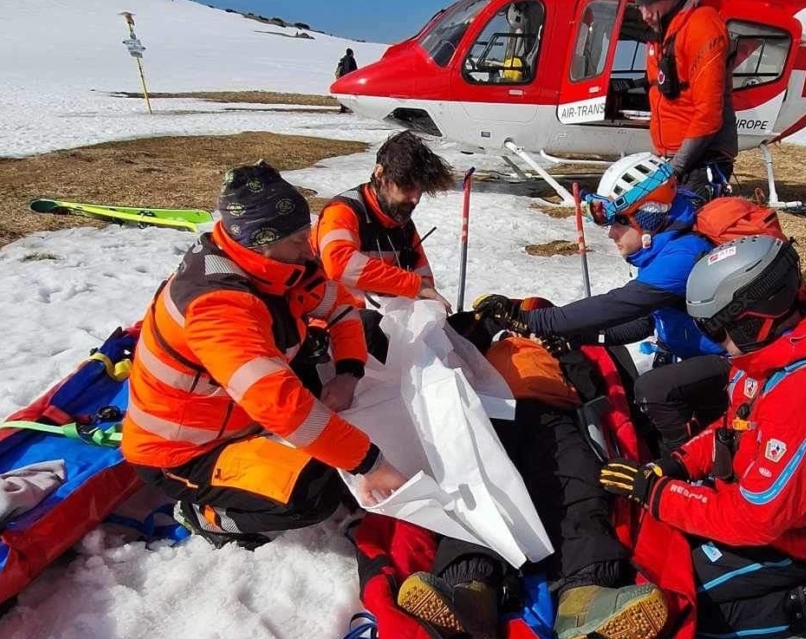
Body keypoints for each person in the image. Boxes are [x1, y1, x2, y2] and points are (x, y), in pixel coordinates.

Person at [121, 161, 408, 549]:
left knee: (369, 328)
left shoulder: (279, 265)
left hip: (242, 411)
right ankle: (206, 514)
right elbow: (280, 406)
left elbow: (341, 309)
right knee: (312, 493)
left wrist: (348, 374)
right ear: (259, 240)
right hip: (187, 452)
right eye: (295, 241)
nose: (307, 250)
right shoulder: (217, 307)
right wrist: (371, 463)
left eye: (306, 236)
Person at [597, 235, 806, 638]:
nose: (712, 339)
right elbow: (733, 427)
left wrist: (659, 494)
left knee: (672, 603)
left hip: (798, 542)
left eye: (716, 326)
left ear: (752, 317)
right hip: (759, 507)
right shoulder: (771, 354)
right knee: (650, 550)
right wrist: (678, 463)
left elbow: (756, 520)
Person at [391, 310, 668, 639]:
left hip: (555, 411)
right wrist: (489, 322)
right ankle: (470, 593)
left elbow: (592, 387)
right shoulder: (483, 345)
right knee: (478, 488)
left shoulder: (555, 349)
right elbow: (448, 339)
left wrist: (565, 348)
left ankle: (584, 597)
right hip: (488, 411)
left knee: (575, 485)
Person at [475, 153, 729, 456]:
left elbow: (622, 304)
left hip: (736, 364)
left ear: (648, 215)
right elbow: (645, 322)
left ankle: (688, 465)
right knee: (646, 389)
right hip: (695, 354)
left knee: (654, 389)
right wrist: (576, 336)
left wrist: (531, 319)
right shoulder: (666, 242)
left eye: (619, 223)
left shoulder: (685, 252)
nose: (611, 234)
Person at [313, 130, 456, 355]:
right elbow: (340, 263)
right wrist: (413, 285)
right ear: (380, 174)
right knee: (370, 327)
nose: (415, 199)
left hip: (385, 323)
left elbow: (424, 281)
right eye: (407, 187)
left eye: (420, 190)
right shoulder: (343, 212)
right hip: (329, 326)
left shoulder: (402, 224)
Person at [633, 0, 738, 198]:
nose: (644, 14)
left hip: (700, 162)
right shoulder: (661, 36)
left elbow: (708, 113)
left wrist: (675, 167)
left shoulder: (701, 26)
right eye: (640, 5)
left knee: (686, 232)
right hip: (673, 161)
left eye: (649, 4)